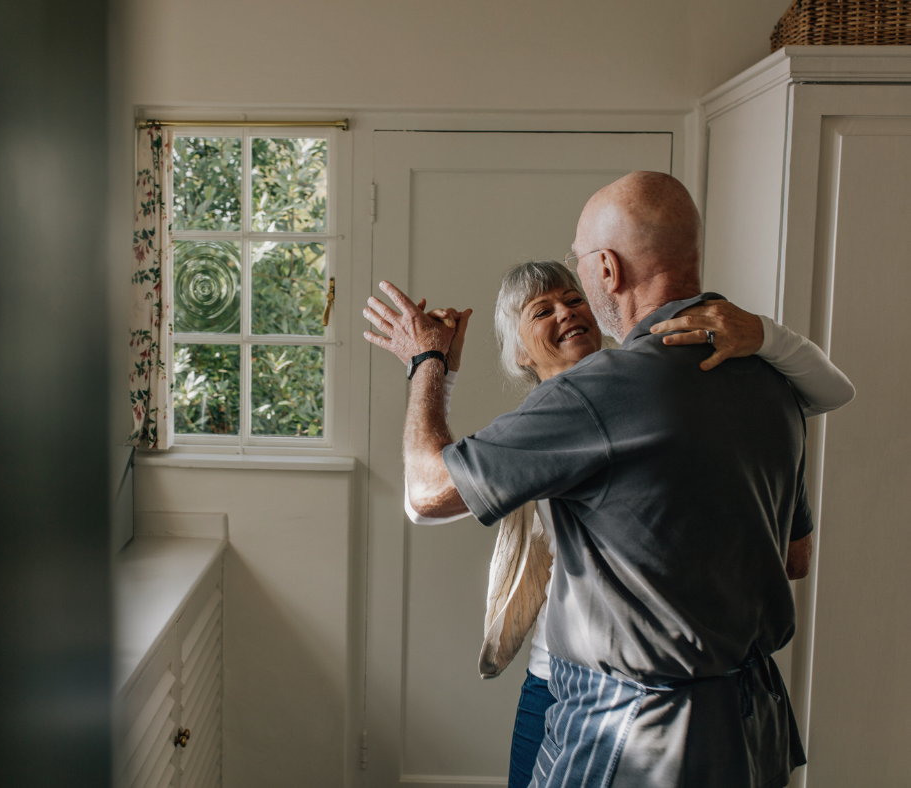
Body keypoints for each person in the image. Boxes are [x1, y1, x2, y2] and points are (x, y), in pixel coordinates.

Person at [362, 171, 853, 787]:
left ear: (607, 270)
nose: (571, 302)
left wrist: (427, 362)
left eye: (577, 265)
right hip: (752, 729)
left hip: (637, 734)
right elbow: (795, 554)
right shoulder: (772, 382)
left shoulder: (600, 392)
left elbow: (427, 493)